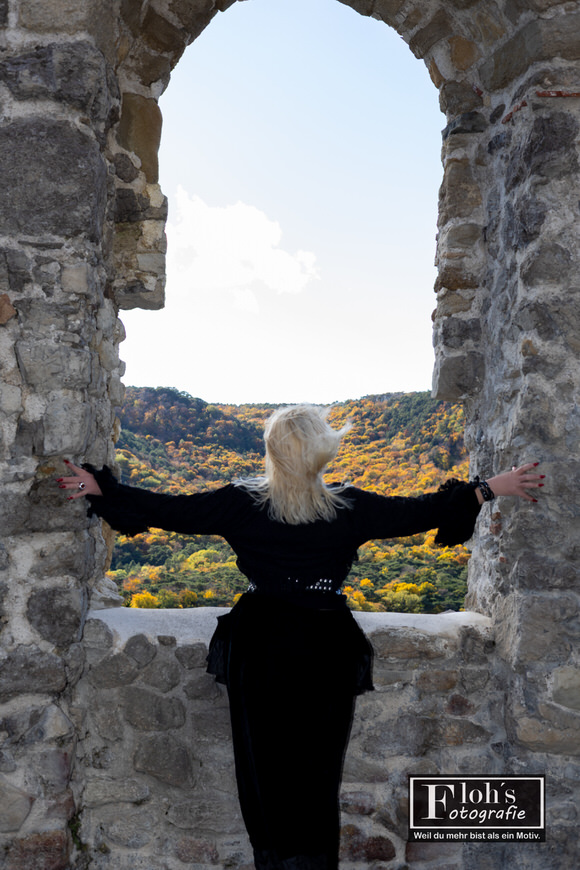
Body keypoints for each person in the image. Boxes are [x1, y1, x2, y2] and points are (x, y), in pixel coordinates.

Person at [58, 404, 544, 870]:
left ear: (271, 453)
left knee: (263, 774)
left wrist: (99, 490)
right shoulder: (350, 508)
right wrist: (488, 487)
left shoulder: (239, 505)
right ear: (322, 453)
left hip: (261, 649)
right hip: (323, 651)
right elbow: (420, 511)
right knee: (316, 778)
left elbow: (170, 510)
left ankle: (275, 864)